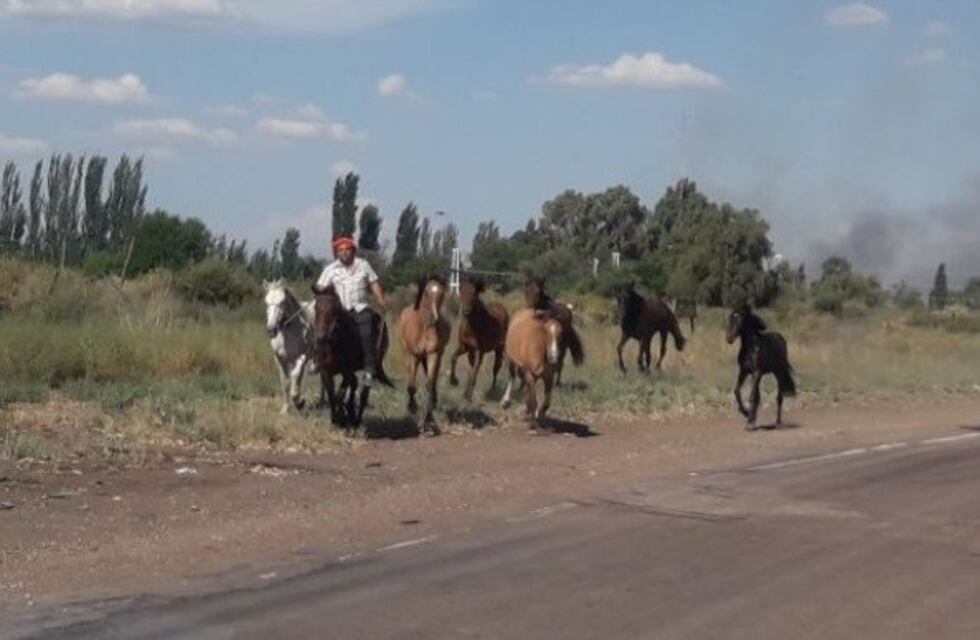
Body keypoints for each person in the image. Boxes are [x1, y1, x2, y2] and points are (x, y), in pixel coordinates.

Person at [314, 236, 390, 386]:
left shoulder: (363, 265)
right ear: (337, 253)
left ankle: (369, 369)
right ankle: (317, 361)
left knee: (367, 329)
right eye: (340, 250)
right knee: (321, 330)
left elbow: (373, 283)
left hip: (360, 309)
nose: (344, 253)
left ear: (353, 251)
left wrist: (381, 300)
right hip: (339, 311)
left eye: (347, 249)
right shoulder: (330, 269)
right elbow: (320, 289)